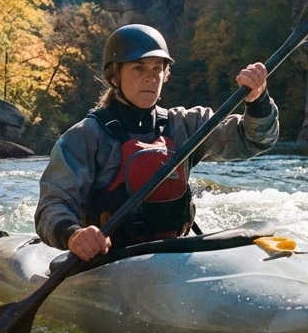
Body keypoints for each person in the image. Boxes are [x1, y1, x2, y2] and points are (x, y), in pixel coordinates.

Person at [35, 24, 279, 260]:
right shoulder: (85, 137)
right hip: (109, 262)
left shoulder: (185, 125)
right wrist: (73, 234)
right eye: (138, 69)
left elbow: (255, 139)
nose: (150, 78)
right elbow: (52, 204)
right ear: (114, 76)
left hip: (173, 256)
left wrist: (257, 100)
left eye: (157, 69)